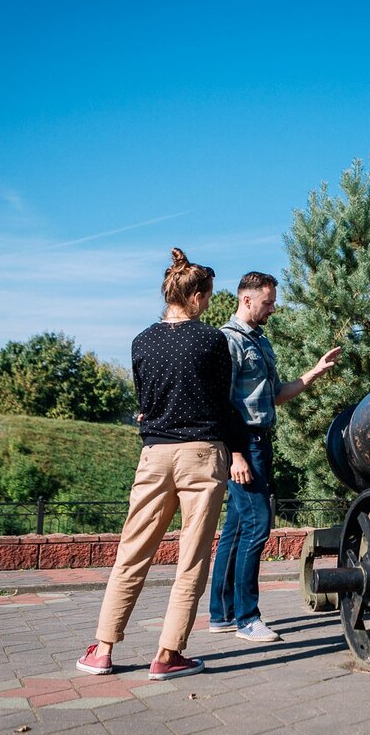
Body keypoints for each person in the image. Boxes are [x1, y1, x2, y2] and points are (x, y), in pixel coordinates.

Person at [77, 248, 248, 681]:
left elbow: (146, 402)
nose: (210, 304)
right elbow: (224, 404)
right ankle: (168, 655)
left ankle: (102, 649)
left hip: (153, 455)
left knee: (131, 553)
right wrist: (238, 449)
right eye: (208, 297)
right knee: (191, 559)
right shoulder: (212, 340)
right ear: (195, 297)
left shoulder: (141, 341)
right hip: (201, 456)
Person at [209, 272, 341, 642]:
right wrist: (235, 454)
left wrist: (314, 371)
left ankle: (221, 613)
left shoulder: (261, 342)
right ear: (247, 300)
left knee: (236, 529)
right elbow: (224, 404)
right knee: (257, 524)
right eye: (268, 302)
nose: (273, 307)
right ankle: (247, 619)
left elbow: (276, 395)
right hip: (243, 444)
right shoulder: (228, 342)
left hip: (259, 442)